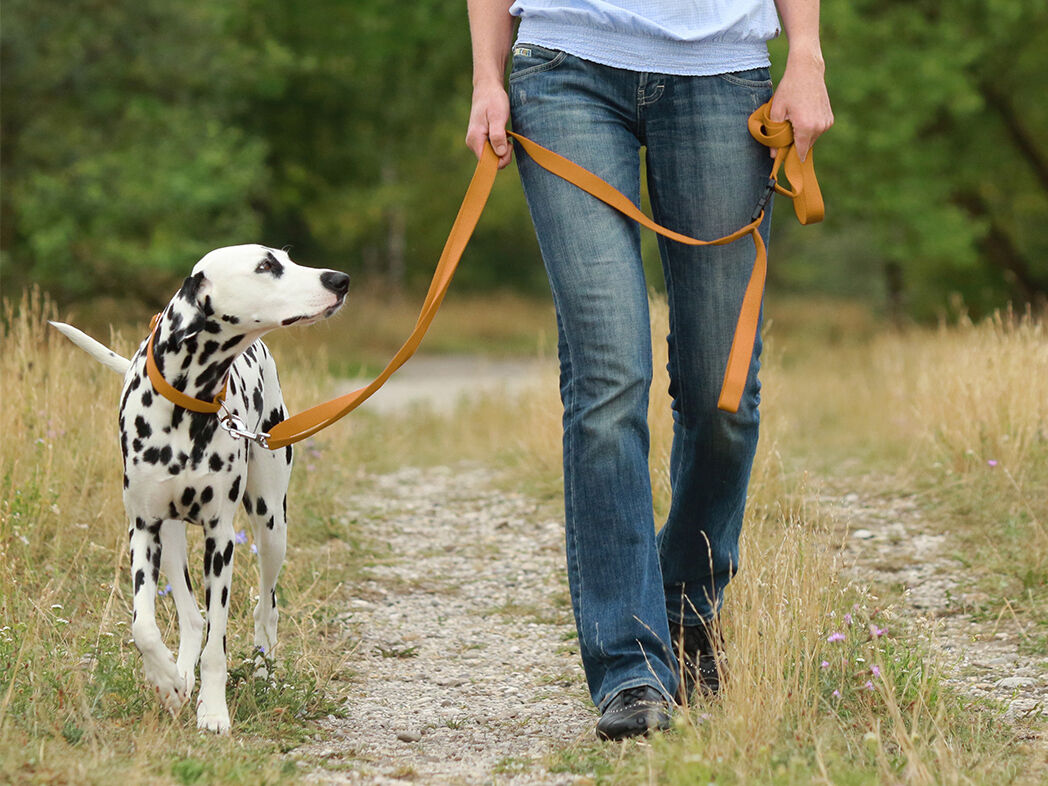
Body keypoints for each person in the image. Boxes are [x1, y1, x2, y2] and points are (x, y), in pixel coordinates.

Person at [465, 0, 832, 741]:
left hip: (722, 70)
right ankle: (629, 666)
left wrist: (807, 54)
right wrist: (486, 75)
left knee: (723, 394)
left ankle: (687, 606)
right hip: (564, 68)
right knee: (608, 382)